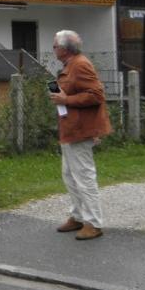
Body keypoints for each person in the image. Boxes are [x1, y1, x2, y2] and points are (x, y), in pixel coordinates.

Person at [49, 30, 111, 241]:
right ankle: (77, 216)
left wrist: (66, 100)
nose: (53, 49)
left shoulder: (81, 64)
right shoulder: (71, 65)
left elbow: (97, 95)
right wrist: (62, 98)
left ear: (65, 49)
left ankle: (93, 223)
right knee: (70, 176)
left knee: (84, 177)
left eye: (55, 46)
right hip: (71, 129)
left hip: (80, 130)